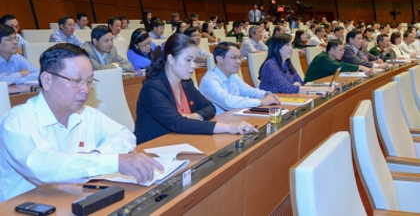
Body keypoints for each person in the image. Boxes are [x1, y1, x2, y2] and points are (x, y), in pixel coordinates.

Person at [0, 43, 163, 202]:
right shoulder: (17, 121)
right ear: (47, 80)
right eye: (76, 80)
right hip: (25, 206)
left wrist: (96, 156)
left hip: (72, 199)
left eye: (90, 81)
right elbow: (41, 165)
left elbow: (125, 135)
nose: (85, 89)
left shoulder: (86, 114)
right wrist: (113, 161)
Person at [134, 34, 257, 143]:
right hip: (152, 149)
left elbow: (209, 107)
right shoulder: (152, 88)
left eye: (194, 60)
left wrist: (197, 116)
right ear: (171, 59)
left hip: (182, 141)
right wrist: (227, 127)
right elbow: (177, 123)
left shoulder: (186, 83)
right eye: (188, 60)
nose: (193, 66)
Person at [199, 42, 280, 114]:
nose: (238, 61)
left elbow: (249, 91)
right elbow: (229, 102)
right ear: (219, 59)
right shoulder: (209, 81)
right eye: (234, 58)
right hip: (217, 123)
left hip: (235, 117)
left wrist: (266, 94)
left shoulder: (232, 75)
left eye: (239, 57)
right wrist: (261, 102)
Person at [259, 33, 332, 93]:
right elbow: (287, 88)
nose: (291, 48)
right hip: (273, 103)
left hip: (285, 98)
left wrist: (294, 85)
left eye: (291, 45)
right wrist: (320, 89)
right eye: (287, 45)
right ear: (277, 47)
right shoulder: (270, 65)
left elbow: (300, 82)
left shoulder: (287, 62)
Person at [304, 40, 372, 83]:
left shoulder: (331, 57)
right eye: (341, 50)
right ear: (332, 50)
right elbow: (340, 66)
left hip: (323, 83)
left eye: (343, 50)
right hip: (311, 85)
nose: (343, 53)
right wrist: (361, 67)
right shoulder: (323, 58)